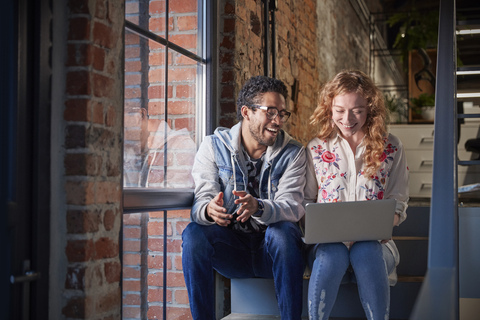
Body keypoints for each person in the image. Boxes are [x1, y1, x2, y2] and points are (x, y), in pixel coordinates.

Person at [182, 76, 307, 320]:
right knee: (193, 234)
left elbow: (293, 207)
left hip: (272, 253)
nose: (278, 121)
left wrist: (259, 207)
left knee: (283, 232)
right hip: (232, 251)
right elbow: (202, 196)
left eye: (282, 113)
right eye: (270, 112)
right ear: (246, 112)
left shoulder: (293, 153)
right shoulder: (213, 146)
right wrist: (209, 210)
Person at [304, 70, 409, 320]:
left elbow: (399, 203)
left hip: (377, 247)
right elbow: (306, 203)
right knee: (331, 254)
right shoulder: (316, 148)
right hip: (328, 247)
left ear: (370, 109)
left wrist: (382, 226)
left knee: (366, 250)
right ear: (329, 108)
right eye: (339, 110)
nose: (347, 118)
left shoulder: (392, 146)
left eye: (357, 110)